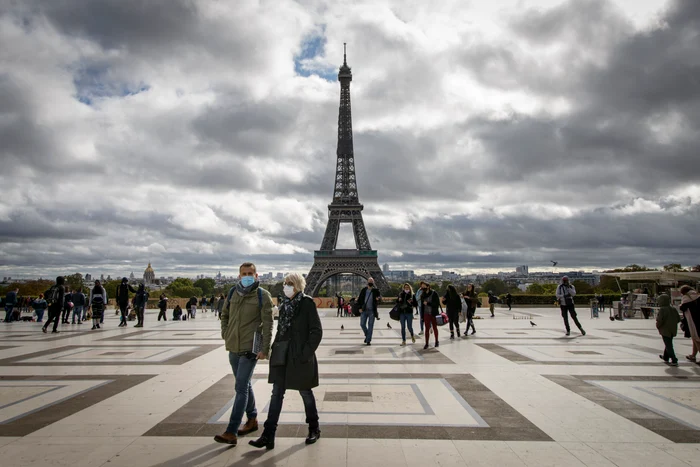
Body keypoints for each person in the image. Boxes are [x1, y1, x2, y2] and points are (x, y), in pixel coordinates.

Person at [249, 273, 322, 450]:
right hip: (282, 355)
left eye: (289, 283)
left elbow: (316, 331)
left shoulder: (307, 303)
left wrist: (304, 354)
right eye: (285, 283)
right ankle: (269, 434)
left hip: (299, 356)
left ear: (297, 285)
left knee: (305, 392)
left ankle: (314, 428)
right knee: (276, 394)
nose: (286, 286)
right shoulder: (285, 304)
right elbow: (281, 330)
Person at [214, 262, 274, 446]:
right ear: (239, 275)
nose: (247, 275)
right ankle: (253, 419)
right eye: (244, 273)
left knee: (240, 387)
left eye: (250, 273)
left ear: (256, 275)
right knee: (244, 384)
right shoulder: (232, 293)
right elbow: (224, 315)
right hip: (233, 346)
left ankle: (231, 431)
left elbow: (268, 324)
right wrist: (225, 333)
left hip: (250, 348)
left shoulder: (263, 295)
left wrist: (265, 349)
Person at [656, 294, 680, 366]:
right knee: (668, 343)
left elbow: (660, 320)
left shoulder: (662, 309)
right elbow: (678, 319)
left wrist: (658, 326)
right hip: (672, 329)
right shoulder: (673, 309)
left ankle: (674, 359)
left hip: (665, 329)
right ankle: (666, 357)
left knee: (668, 345)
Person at [357, 277, 381, 346]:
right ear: (367, 282)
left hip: (372, 311)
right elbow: (359, 300)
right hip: (364, 310)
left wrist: (378, 298)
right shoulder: (363, 290)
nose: (370, 282)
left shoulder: (376, 291)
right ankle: (368, 336)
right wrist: (359, 308)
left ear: (373, 282)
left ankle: (368, 340)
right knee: (362, 324)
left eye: (372, 281)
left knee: (370, 326)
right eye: (369, 281)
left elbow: (380, 298)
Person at [679, 286, 700, 363]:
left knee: (696, 338)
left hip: (694, 322)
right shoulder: (697, 295)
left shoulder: (686, 298)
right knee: (695, 339)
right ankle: (693, 355)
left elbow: (682, 308)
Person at [419, 281, 440, 349]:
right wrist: (422, 316)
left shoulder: (434, 293)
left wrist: (428, 303)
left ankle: (436, 341)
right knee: (426, 328)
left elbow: (437, 304)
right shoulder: (422, 295)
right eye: (421, 286)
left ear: (428, 286)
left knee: (434, 327)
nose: (422, 288)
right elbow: (422, 306)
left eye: (423, 286)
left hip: (433, 313)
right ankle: (426, 343)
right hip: (426, 313)